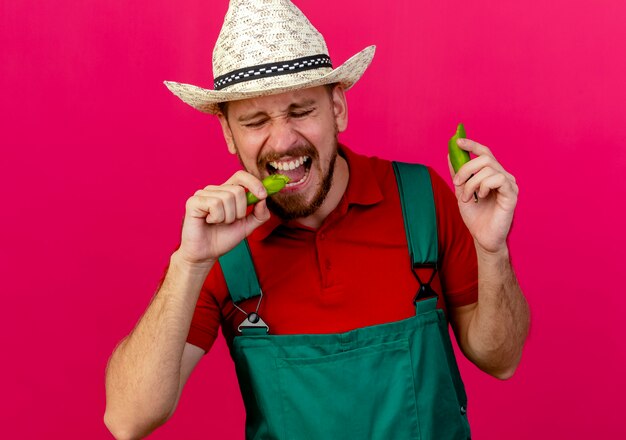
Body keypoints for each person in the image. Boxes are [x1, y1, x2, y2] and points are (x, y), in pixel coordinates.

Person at [104, 0, 530, 439]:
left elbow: (502, 359)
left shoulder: (421, 199)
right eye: (255, 121)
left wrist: (492, 251)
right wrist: (188, 264)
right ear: (229, 134)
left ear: (338, 108)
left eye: (301, 111)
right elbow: (127, 419)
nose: (284, 140)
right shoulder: (218, 246)